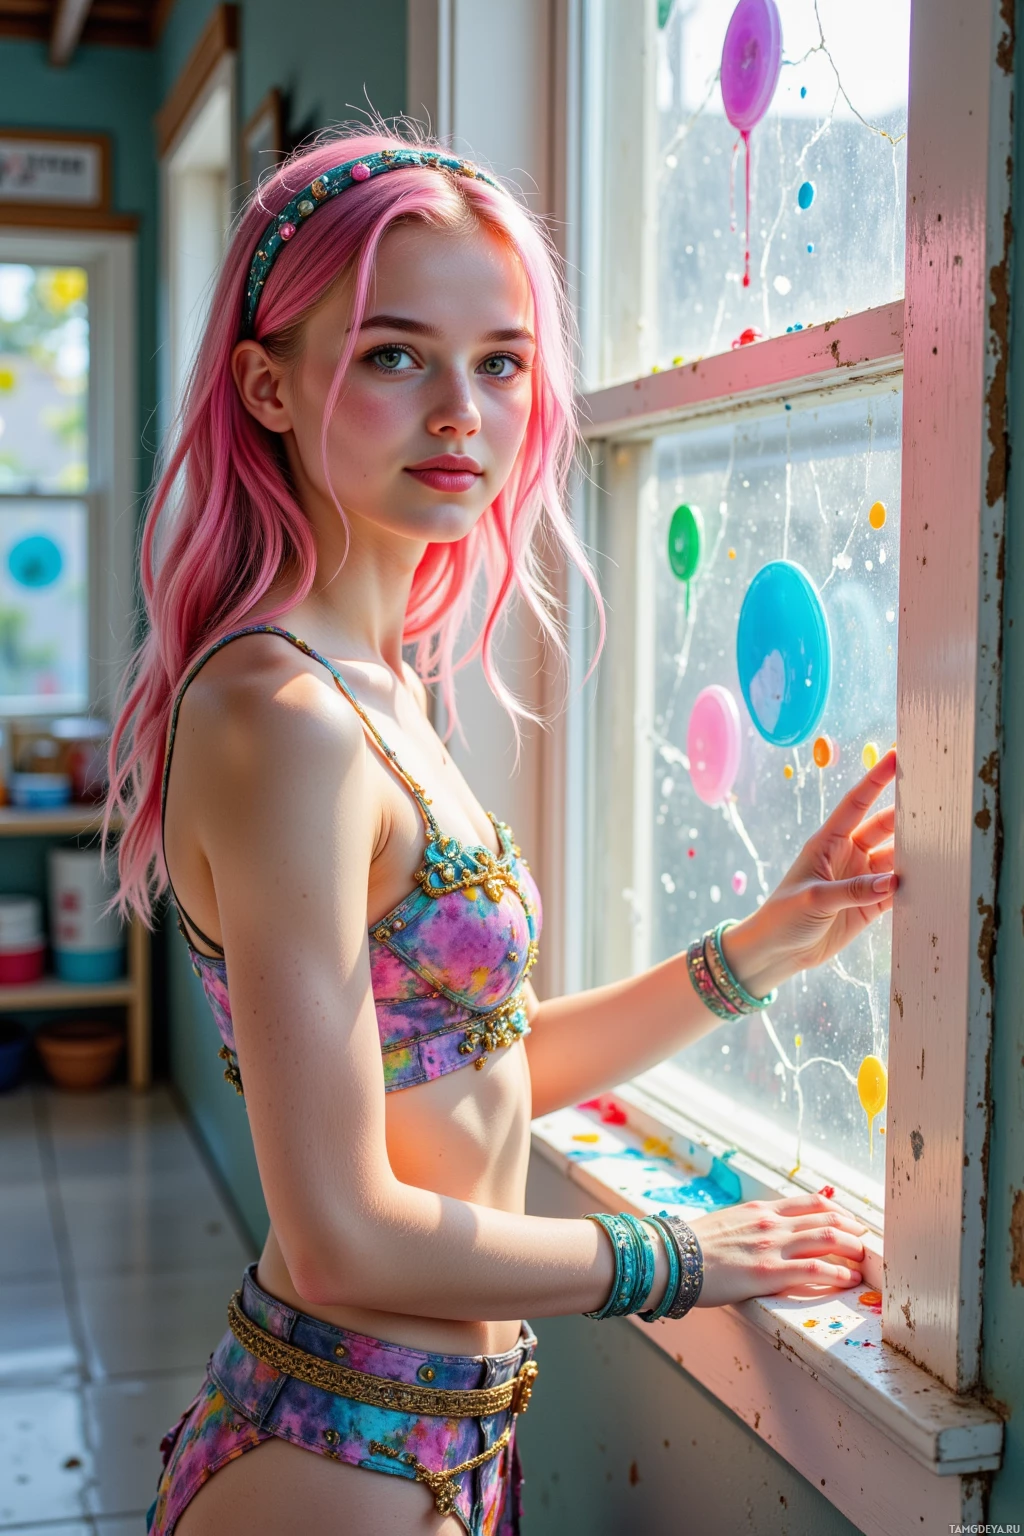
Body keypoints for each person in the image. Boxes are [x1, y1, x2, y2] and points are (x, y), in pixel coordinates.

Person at [106, 126, 897, 1536]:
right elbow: (345, 1235)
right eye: (395, 354)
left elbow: (477, 1076)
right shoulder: (279, 716)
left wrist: (761, 949)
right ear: (267, 386)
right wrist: (678, 1257)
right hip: (330, 1471)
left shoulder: (380, 682)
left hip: (433, 1445)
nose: (464, 412)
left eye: (503, 361)